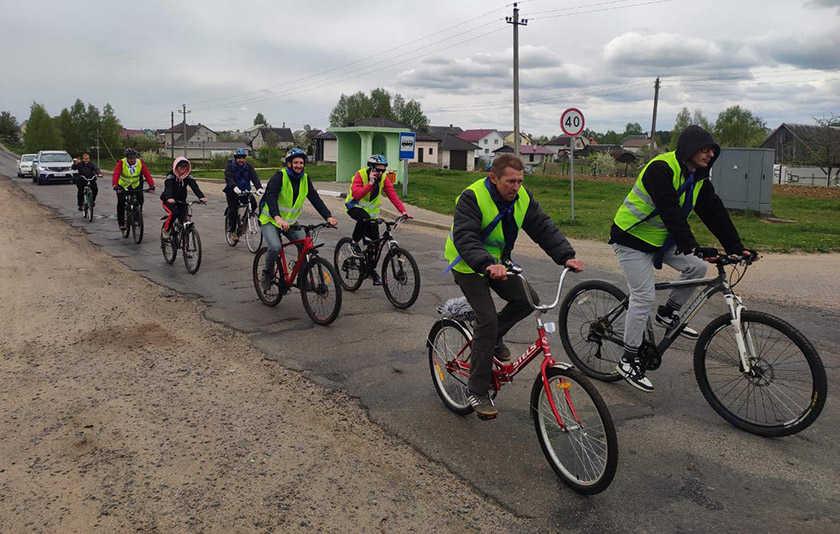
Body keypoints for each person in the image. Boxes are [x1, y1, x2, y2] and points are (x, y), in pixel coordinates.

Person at [610, 125, 759, 393]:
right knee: (643, 296)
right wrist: (691, 245)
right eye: (705, 149)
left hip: (662, 241)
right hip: (632, 239)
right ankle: (628, 359)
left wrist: (736, 247)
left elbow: (713, 211)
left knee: (697, 267)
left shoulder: (698, 177)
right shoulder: (661, 169)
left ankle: (667, 313)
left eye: (713, 150)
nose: (710, 154)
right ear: (690, 149)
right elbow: (670, 212)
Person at [444, 154, 583, 419]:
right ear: (493, 178)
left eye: (520, 181)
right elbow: (465, 235)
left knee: (528, 300)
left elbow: (543, 227)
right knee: (487, 320)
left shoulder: (522, 198)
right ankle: (477, 390)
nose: (516, 187)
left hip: (498, 263)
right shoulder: (472, 197)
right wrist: (486, 263)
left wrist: (566, 255)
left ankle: (494, 336)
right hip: (468, 264)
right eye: (511, 181)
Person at [258, 148, 338, 292]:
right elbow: (271, 197)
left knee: (306, 246)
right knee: (275, 247)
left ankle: (302, 278)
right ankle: (267, 274)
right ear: (289, 163)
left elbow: (314, 198)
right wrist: (278, 218)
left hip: (290, 222)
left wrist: (328, 216)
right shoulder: (279, 176)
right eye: (295, 163)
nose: (299, 166)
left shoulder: (305, 179)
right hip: (270, 220)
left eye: (301, 163)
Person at [344, 154, 411, 285]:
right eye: (378, 170)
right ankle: (354, 243)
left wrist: (403, 211)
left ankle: (370, 270)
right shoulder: (360, 175)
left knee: (375, 243)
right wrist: (370, 184)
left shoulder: (384, 179)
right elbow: (356, 195)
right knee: (363, 218)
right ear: (371, 168)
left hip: (372, 214)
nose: (380, 173)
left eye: (383, 170)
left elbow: (392, 195)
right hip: (354, 207)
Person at [160, 157, 207, 238]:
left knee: (184, 217)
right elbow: (169, 187)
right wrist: (169, 197)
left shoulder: (188, 176)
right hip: (168, 200)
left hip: (181, 200)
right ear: (176, 166)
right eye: (180, 166)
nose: (183, 168)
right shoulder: (171, 175)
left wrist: (201, 197)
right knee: (174, 213)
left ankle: (181, 236)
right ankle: (166, 230)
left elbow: (194, 186)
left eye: (185, 166)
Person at [224, 148, 263, 242]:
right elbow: (229, 177)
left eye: (243, 158)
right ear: (235, 159)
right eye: (239, 158)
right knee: (233, 209)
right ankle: (233, 231)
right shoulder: (230, 167)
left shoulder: (248, 167)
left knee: (253, 204)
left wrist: (259, 188)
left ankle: (245, 221)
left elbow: (254, 177)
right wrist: (234, 187)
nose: (241, 160)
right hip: (232, 192)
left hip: (245, 191)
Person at [112, 148, 155, 232]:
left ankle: (137, 216)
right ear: (126, 158)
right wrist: (115, 185)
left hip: (135, 185)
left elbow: (147, 173)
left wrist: (151, 185)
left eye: (133, 158)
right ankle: (121, 223)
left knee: (140, 199)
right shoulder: (121, 163)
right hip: (122, 186)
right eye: (129, 158)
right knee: (121, 203)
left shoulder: (140, 163)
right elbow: (116, 174)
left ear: (136, 157)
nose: (131, 160)